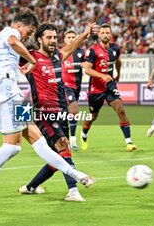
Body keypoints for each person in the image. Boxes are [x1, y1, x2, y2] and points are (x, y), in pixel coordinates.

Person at [0, 9, 94, 207]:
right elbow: (14, 41)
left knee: (37, 138)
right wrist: (31, 61)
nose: (28, 36)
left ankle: (77, 175)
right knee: (11, 147)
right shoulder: (8, 34)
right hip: (7, 91)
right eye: (29, 32)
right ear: (20, 25)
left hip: (11, 92)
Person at [18, 22, 97, 201]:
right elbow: (10, 53)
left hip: (61, 112)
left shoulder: (57, 57)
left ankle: (31, 187)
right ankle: (73, 191)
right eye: (49, 38)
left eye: (55, 37)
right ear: (39, 39)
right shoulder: (30, 57)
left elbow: (72, 46)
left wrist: (85, 34)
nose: (53, 41)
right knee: (63, 144)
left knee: (59, 156)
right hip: (43, 113)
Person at [79, 23, 138, 152]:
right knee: (93, 115)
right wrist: (102, 76)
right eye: (103, 33)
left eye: (107, 33)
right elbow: (87, 70)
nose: (105, 35)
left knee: (120, 109)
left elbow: (118, 61)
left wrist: (118, 75)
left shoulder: (115, 48)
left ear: (111, 35)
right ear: (99, 35)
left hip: (110, 86)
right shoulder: (92, 51)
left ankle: (129, 142)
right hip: (96, 88)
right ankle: (84, 133)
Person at [61, 29, 85, 150]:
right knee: (74, 109)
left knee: (68, 114)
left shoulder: (82, 53)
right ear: (64, 40)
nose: (71, 39)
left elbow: (89, 64)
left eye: (73, 37)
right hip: (65, 87)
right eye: (68, 37)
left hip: (77, 87)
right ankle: (73, 139)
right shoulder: (61, 52)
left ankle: (64, 138)